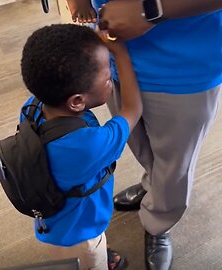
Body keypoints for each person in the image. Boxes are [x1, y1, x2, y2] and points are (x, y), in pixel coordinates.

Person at [92, 1, 222, 269]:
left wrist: (152, 8)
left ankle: (158, 222)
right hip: (114, 50)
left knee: (175, 162)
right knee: (141, 145)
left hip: (184, 60)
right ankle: (154, 185)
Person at [19, 24, 141, 270]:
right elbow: (132, 109)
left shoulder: (32, 107)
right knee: (88, 259)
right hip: (80, 233)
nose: (111, 80)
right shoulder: (88, 146)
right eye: (108, 78)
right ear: (77, 101)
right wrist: (122, 54)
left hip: (55, 219)